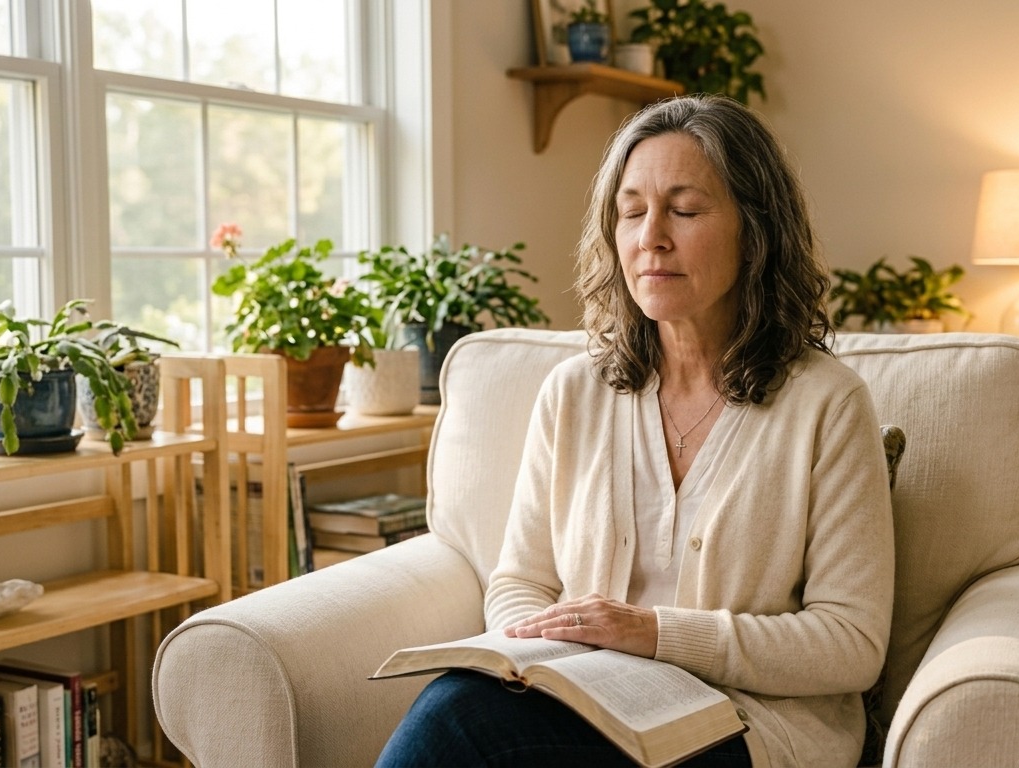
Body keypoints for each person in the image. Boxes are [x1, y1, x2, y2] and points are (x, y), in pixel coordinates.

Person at [376, 94, 894, 767]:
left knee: (460, 722)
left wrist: (651, 634)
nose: (651, 236)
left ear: (756, 231)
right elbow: (520, 581)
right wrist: (543, 649)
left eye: (684, 210)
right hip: (594, 704)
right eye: (631, 212)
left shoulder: (826, 403)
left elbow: (850, 642)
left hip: (752, 728)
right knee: (458, 704)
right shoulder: (574, 391)